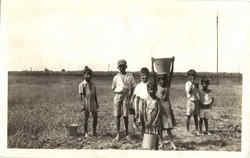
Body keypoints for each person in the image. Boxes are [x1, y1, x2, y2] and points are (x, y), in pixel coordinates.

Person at [112, 59, 136, 141]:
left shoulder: (130, 76)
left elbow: (133, 86)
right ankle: (118, 133)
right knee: (117, 115)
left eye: (123, 66)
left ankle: (127, 133)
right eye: (120, 66)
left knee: (126, 115)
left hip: (126, 96)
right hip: (118, 96)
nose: (122, 68)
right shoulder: (116, 77)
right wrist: (119, 92)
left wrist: (130, 94)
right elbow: (113, 87)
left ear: (126, 66)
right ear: (118, 67)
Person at [156, 73, 176, 150]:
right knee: (159, 128)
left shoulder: (166, 88)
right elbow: (154, 74)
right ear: (158, 80)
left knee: (168, 127)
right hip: (159, 108)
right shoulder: (157, 87)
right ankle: (161, 142)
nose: (162, 81)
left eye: (164, 80)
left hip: (166, 109)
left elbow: (163, 98)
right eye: (160, 80)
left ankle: (172, 142)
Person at [78, 66, 99, 137]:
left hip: (93, 102)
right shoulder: (82, 85)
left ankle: (94, 131)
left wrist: (97, 103)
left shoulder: (93, 84)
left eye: (89, 74)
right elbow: (81, 96)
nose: (88, 76)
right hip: (86, 102)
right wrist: (82, 105)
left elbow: (95, 95)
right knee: (86, 118)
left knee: (95, 117)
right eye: (86, 74)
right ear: (84, 75)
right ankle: (86, 132)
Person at [131, 67, 150, 137]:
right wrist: (131, 100)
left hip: (148, 103)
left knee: (147, 118)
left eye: (145, 76)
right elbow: (134, 94)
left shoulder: (149, 84)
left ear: (148, 76)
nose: (144, 78)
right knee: (141, 117)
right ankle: (142, 132)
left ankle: (147, 132)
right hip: (141, 103)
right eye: (142, 77)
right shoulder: (139, 85)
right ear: (140, 76)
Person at [143, 79, 161, 150]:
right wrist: (145, 119)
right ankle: (148, 146)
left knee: (156, 133)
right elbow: (144, 110)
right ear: (147, 90)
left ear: (156, 90)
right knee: (148, 133)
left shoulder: (157, 100)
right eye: (150, 90)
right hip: (148, 119)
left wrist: (156, 119)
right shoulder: (146, 99)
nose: (151, 91)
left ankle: (155, 147)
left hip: (155, 120)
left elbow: (159, 110)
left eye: (153, 90)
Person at [185, 69, 200, 135]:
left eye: (194, 76)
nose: (192, 77)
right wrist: (192, 83)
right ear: (188, 76)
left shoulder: (196, 84)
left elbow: (197, 92)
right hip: (190, 101)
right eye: (191, 76)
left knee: (196, 116)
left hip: (195, 101)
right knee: (188, 116)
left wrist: (199, 99)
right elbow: (189, 92)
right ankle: (187, 129)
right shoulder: (187, 83)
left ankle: (197, 129)